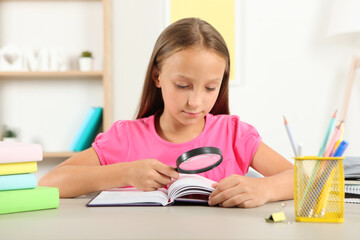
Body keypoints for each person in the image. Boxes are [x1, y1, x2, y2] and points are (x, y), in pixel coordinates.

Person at [39, 18, 293, 208]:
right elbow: (50, 182)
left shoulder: (235, 134)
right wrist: (125, 173)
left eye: (210, 88)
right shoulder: (126, 136)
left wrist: (265, 188)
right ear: (157, 77)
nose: (195, 101)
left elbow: (308, 179)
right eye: (182, 86)